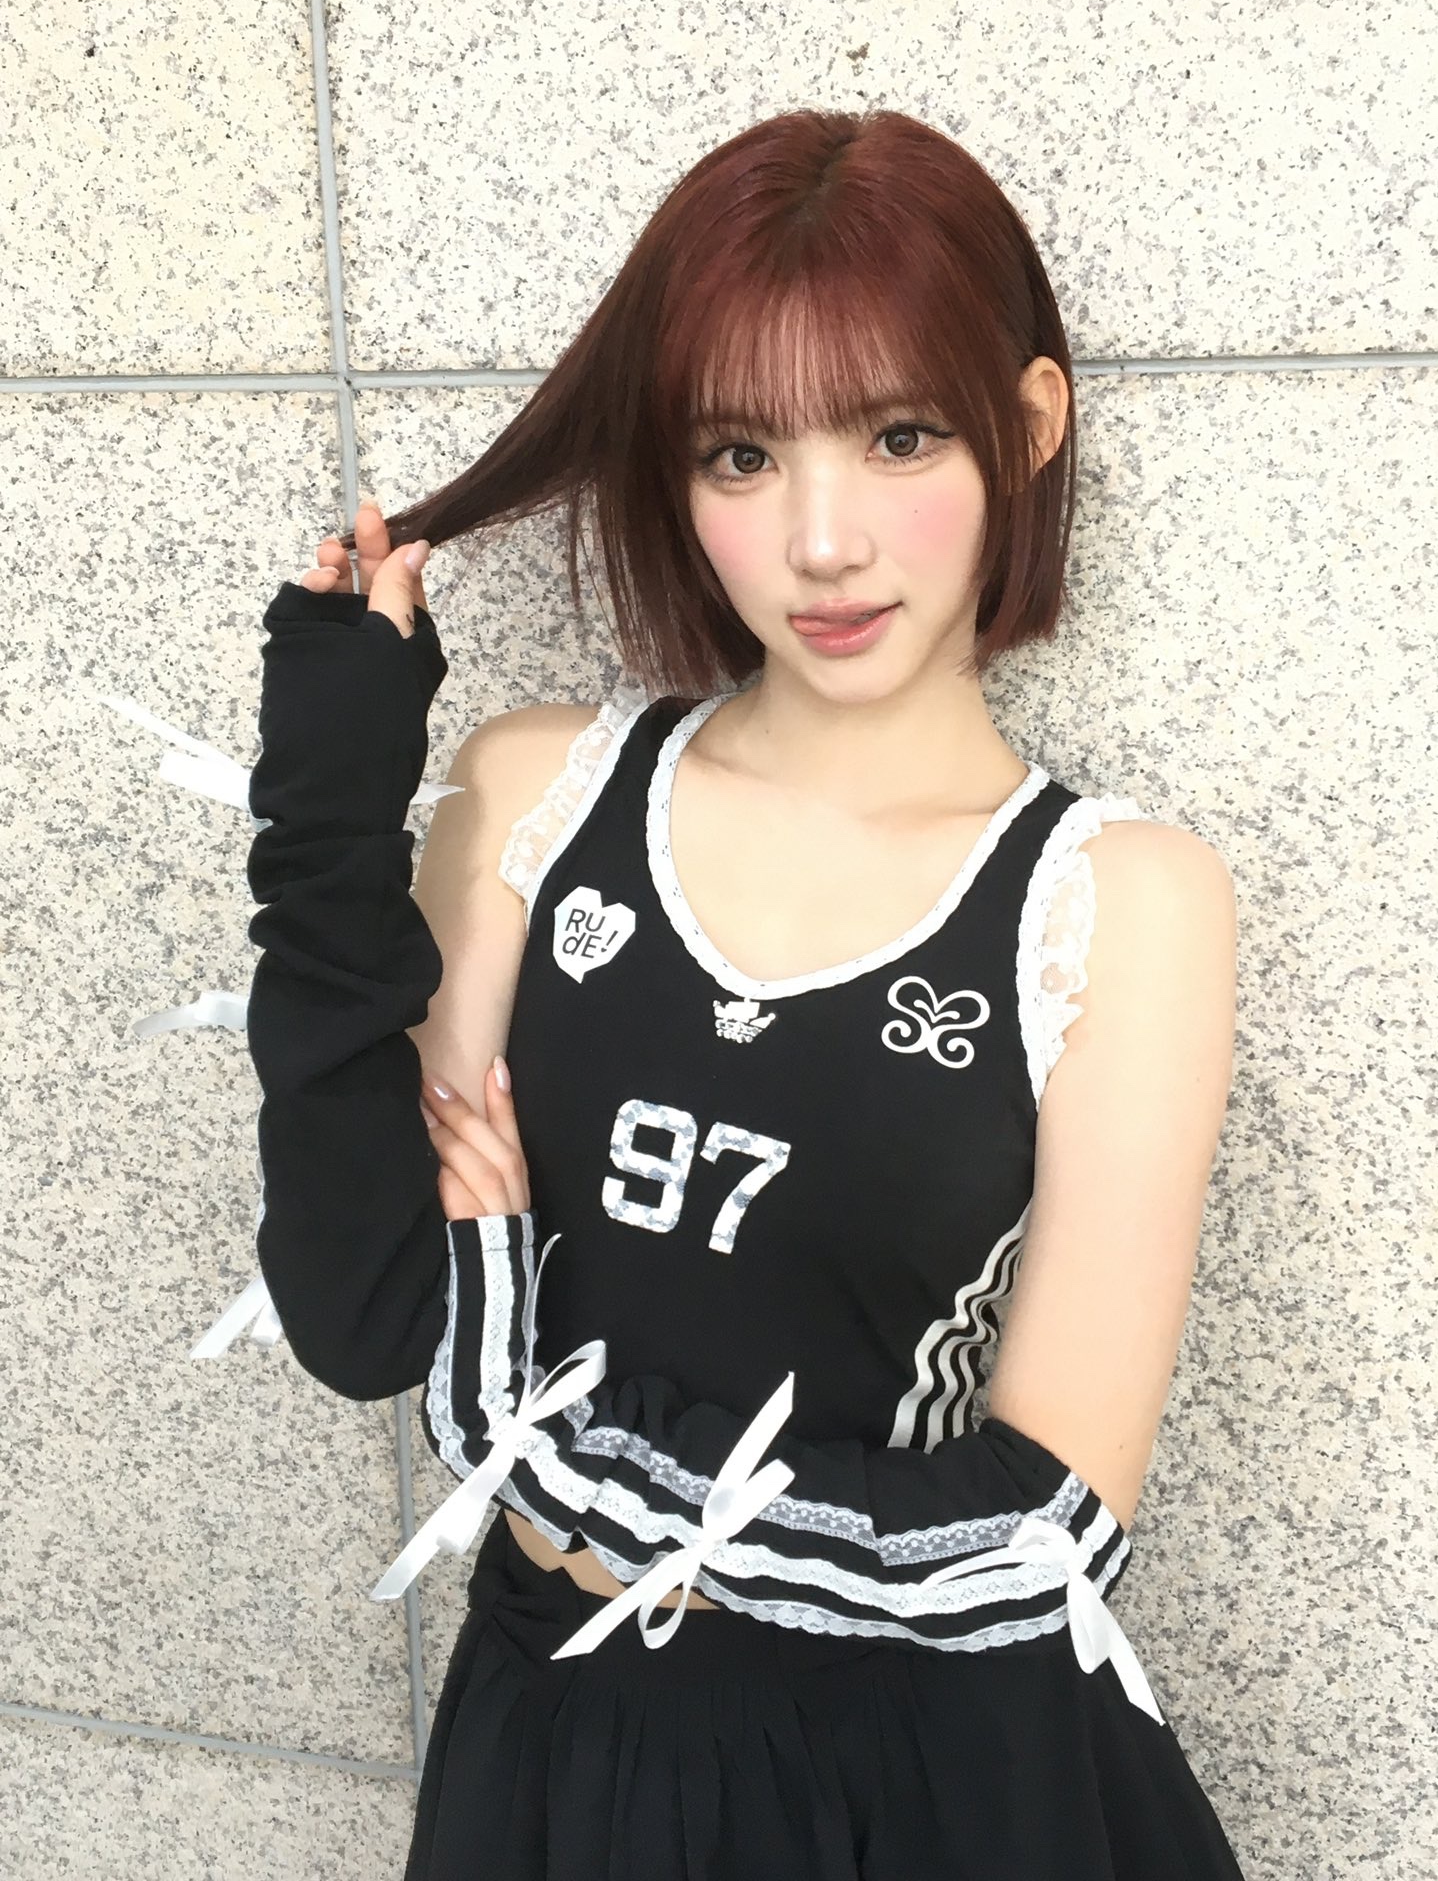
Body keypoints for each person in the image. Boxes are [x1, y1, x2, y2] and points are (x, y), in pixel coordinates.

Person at [244, 106, 1244, 1878]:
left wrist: (536, 1441)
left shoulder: (1115, 902)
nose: (823, 542)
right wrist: (324, 820)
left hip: (922, 1783)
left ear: (1029, 425)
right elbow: (370, 1316)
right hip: (554, 1754)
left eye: (900, 435)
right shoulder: (539, 799)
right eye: (740, 455)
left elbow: (1035, 1538)